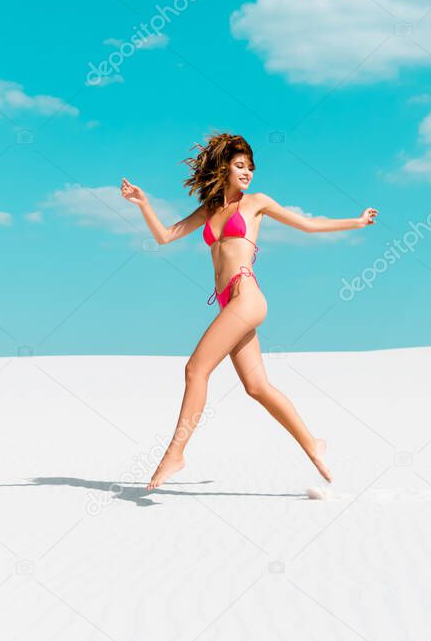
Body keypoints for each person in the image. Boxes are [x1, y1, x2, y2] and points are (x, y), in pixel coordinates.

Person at [120, 132, 379, 490]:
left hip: (247, 296)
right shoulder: (210, 209)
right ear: (222, 167)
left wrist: (357, 221)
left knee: (196, 368)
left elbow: (307, 224)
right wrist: (144, 204)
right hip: (229, 302)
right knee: (257, 387)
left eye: (251, 167)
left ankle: (174, 453)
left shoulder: (256, 202)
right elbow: (165, 236)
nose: (247, 173)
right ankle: (312, 443)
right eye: (240, 165)